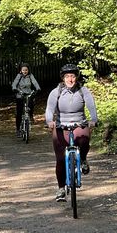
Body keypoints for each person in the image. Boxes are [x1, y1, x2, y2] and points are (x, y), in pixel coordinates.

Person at [45, 63, 98, 202]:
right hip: (61, 125)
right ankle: (61, 189)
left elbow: (91, 105)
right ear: (63, 78)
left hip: (79, 123)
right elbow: (49, 109)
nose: (70, 79)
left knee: (84, 139)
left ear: (76, 77)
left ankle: (83, 159)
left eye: (73, 76)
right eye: (67, 76)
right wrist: (50, 121)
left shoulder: (83, 90)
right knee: (60, 159)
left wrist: (93, 119)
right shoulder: (56, 92)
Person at [12, 63, 40, 137]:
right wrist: (14, 88)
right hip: (20, 94)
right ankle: (18, 130)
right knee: (19, 112)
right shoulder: (19, 76)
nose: (25, 71)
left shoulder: (30, 76)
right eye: (23, 70)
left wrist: (38, 88)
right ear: (21, 71)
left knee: (31, 102)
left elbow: (35, 82)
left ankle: (30, 115)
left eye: (26, 70)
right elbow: (14, 83)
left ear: (28, 70)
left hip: (28, 93)